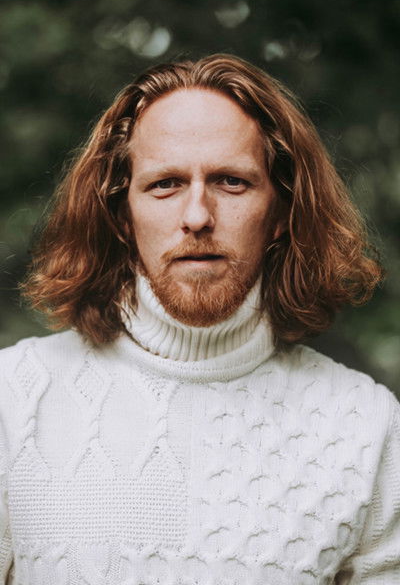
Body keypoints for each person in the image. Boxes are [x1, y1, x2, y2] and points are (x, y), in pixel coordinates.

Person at [0, 53, 399, 584]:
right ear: (122, 216)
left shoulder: (365, 427)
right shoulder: (13, 400)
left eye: (231, 182)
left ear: (281, 213)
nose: (196, 216)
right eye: (165, 184)